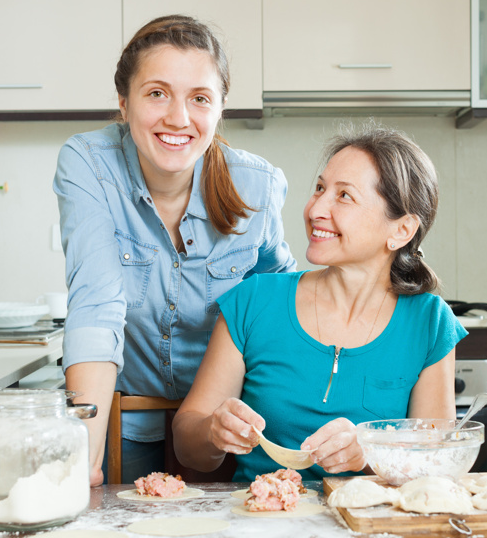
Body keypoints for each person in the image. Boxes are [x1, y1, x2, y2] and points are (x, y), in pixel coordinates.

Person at [53, 15, 296, 486]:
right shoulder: (88, 165)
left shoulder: (257, 185)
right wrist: (82, 465)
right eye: (157, 93)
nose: (179, 118)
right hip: (125, 420)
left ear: (221, 108)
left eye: (199, 98)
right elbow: (96, 308)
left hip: (230, 427)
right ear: (124, 103)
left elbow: (281, 305)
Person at [172, 122, 467, 482]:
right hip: (261, 525)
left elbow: (435, 466)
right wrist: (212, 433)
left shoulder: (429, 322)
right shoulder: (254, 300)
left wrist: (370, 452)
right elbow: (188, 446)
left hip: (369, 530)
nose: (315, 210)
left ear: (401, 230)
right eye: (319, 188)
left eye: (344, 196)